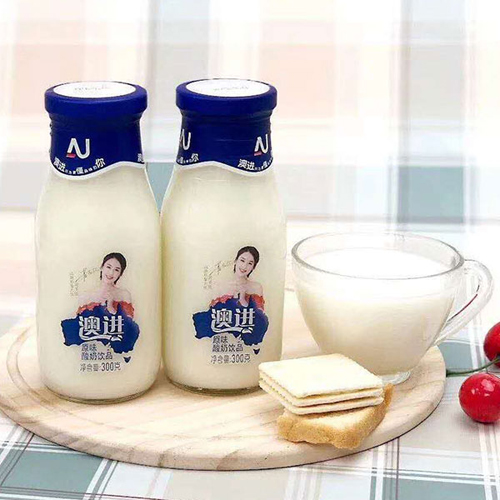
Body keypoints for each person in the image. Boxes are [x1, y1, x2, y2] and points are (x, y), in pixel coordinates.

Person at [78, 252, 133, 317]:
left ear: (120, 274)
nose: (111, 273)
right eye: (108, 267)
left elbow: (129, 322)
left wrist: (110, 307)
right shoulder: (86, 295)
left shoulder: (124, 295)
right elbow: (80, 321)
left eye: (116, 270)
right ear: (102, 267)